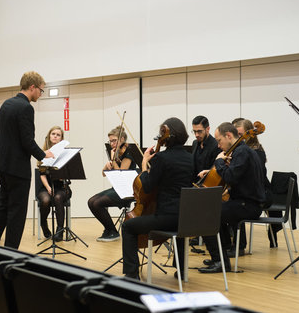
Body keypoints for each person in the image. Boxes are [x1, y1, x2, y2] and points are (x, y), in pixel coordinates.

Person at [0, 71, 54, 249]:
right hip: (17, 167)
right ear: (32, 87)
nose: (40, 94)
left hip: (3, 165)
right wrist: (43, 154)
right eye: (40, 90)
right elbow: (26, 141)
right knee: (17, 211)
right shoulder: (26, 107)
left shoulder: (6, 104)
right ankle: (11, 252)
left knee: (3, 206)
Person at [121, 117, 194, 280]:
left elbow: (147, 186)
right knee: (179, 227)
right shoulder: (190, 158)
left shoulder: (162, 158)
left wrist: (145, 162)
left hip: (166, 218)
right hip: (185, 219)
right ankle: (182, 270)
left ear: (166, 136)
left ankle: (131, 274)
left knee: (127, 226)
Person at [199, 122, 265, 273]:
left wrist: (219, 161)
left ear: (229, 136)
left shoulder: (242, 152)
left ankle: (220, 261)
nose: (218, 146)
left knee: (206, 215)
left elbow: (231, 177)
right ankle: (221, 257)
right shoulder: (241, 151)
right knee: (213, 210)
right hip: (244, 202)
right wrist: (210, 172)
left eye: (219, 140)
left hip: (248, 205)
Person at [88, 126, 136, 242]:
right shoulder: (117, 153)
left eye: (114, 140)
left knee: (97, 203)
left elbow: (121, 173)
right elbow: (104, 174)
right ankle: (109, 229)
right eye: (110, 141)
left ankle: (112, 232)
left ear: (122, 139)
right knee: (91, 201)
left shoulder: (128, 153)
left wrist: (113, 159)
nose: (112, 143)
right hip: (116, 188)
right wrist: (106, 166)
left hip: (126, 190)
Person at [233, 118, 276, 248]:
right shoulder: (241, 150)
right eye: (237, 135)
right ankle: (232, 244)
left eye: (240, 135)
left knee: (234, 203)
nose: (238, 138)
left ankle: (238, 245)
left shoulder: (256, 152)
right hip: (251, 191)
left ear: (249, 134)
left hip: (261, 193)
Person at [36, 126, 72, 241]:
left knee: (57, 198)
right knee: (45, 200)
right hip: (46, 186)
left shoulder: (65, 153)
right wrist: (47, 187)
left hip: (61, 187)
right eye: (53, 134)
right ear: (49, 136)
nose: (55, 136)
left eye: (58, 135)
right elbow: (42, 174)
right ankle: (44, 225)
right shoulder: (43, 153)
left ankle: (60, 230)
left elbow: (69, 172)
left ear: (61, 139)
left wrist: (63, 175)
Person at [191, 115, 220, 182]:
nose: (196, 135)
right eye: (194, 131)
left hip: (208, 185)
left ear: (208, 129)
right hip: (194, 184)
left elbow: (215, 171)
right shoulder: (195, 143)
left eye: (199, 131)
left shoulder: (216, 145)